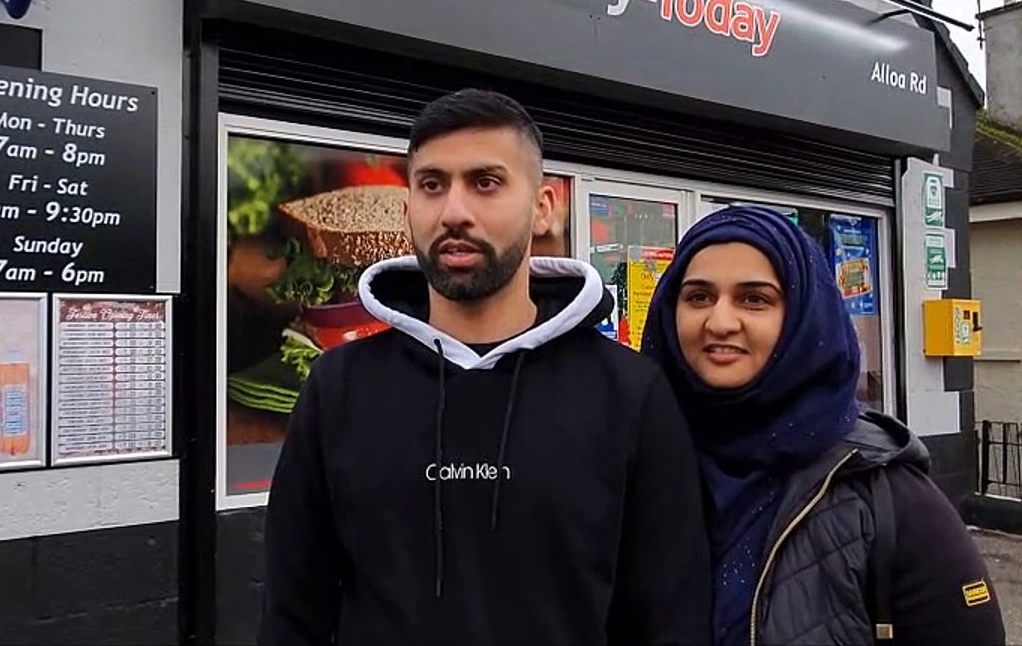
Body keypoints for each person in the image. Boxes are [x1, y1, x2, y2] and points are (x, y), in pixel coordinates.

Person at [258, 89, 712, 646]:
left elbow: (670, 616)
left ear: (543, 206)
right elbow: (293, 611)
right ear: (408, 210)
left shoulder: (630, 393)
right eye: (431, 185)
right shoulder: (339, 387)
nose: (454, 212)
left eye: (486, 182)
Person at [640, 205, 1007, 646]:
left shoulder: (885, 495)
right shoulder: (637, 464)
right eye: (698, 296)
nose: (719, 321)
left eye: (754, 298)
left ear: (802, 316)